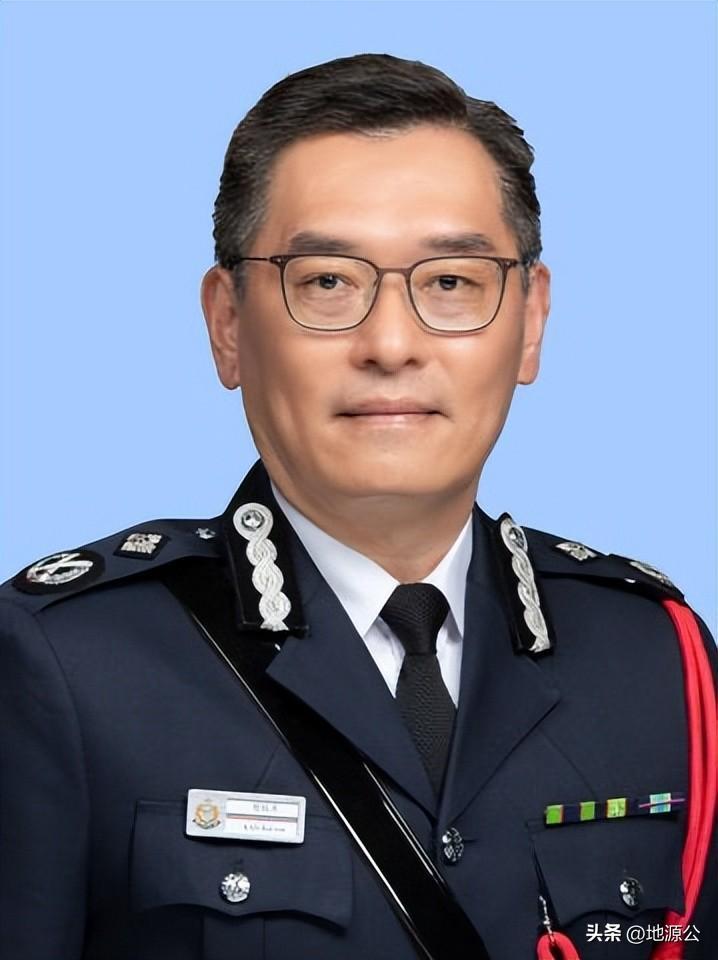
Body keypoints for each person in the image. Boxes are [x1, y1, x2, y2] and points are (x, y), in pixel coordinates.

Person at [0, 53, 715, 960]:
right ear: (228, 323)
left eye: (451, 281)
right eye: (328, 282)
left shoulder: (655, 657)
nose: (390, 343)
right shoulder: (67, 663)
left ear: (531, 320)